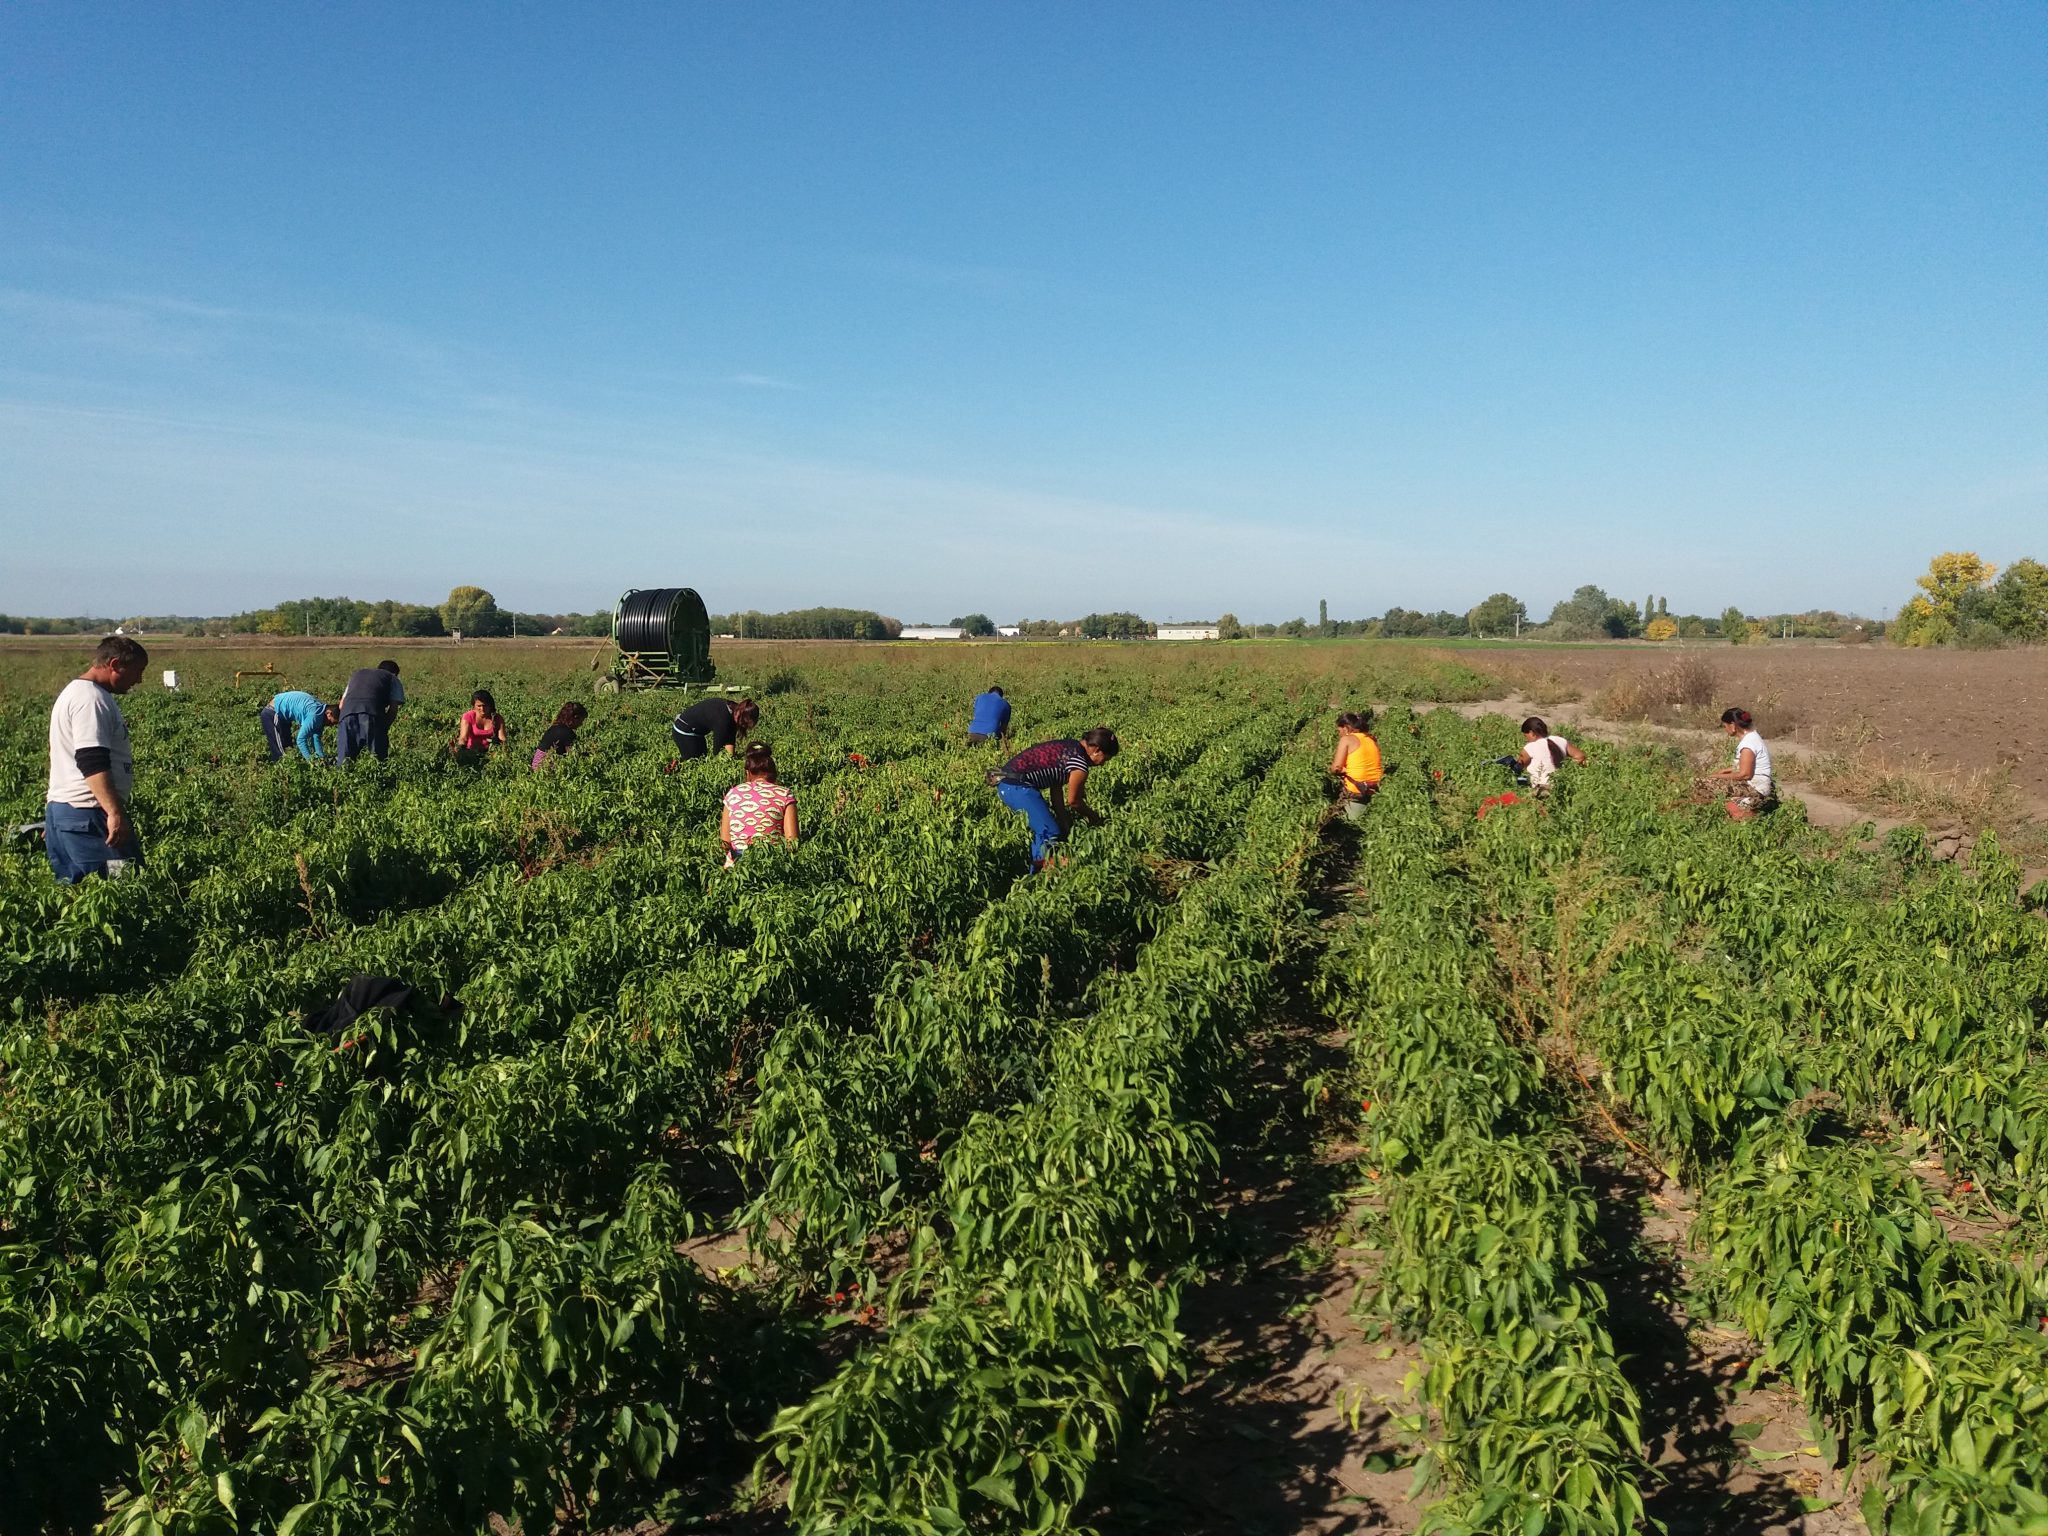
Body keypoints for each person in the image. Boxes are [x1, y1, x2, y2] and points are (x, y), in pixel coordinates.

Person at [45, 634, 147, 882]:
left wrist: (56, 815)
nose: (139, 680)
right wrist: (114, 812)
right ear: (114, 665)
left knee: (79, 891)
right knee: (120, 883)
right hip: (90, 815)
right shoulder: (91, 700)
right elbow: (91, 759)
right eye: (136, 671)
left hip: (70, 813)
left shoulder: (76, 693)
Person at [990, 728, 1119, 872]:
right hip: (1017, 788)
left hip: (1008, 784)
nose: (1102, 764)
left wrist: (1064, 819)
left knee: (1048, 830)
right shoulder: (1079, 763)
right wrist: (1095, 818)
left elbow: (1056, 788)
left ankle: (1035, 871)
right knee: (1049, 832)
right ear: (1096, 750)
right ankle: (1038, 876)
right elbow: (1074, 801)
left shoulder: (1070, 746)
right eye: (1105, 758)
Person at [720, 742, 798, 864]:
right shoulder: (784, 795)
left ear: (748, 773)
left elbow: (725, 842)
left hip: (737, 862)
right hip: (771, 861)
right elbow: (792, 842)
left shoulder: (733, 794)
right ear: (773, 772)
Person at [1703, 707, 1775, 819]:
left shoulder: (1748, 744)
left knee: (1704, 784)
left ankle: (1711, 816)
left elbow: (1745, 774)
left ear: (1732, 726)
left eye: (1725, 726)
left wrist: (1716, 776)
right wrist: (1725, 771)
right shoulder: (1752, 738)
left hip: (1755, 787)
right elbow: (1746, 766)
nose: (1725, 729)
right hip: (1757, 784)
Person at [336, 660, 405, 764]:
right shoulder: (392, 678)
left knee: (345, 760)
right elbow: (393, 709)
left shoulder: (358, 675)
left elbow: (341, 705)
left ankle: (342, 777)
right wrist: (384, 728)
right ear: (395, 673)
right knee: (378, 759)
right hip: (372, 714)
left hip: (346, 715)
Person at [1328, 710, 1383, 819]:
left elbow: (1336, 768)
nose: (1339, 734)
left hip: (1357, 789)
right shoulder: (1371, 738)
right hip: (1375, 786)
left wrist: (1343, 770)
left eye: (1339, 731)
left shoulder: (1347, 739)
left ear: (1346, 728)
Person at [671, 696, 758, 761]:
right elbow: (717, 751)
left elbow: (730, 740)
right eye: (744, 723)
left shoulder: (733, 710)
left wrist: (732, 758)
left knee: (702, 759)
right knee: (694, 762)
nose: (743, 725)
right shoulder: (722, 720)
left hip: (697, 733)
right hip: (683, 731)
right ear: (740, 714)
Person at [1513, 716, 1586, 794]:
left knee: (1518, 781)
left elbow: (1518, 767)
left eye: (1526, 736)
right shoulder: (1560, 740)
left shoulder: (1530, 747)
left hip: (1540, 789)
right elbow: (1580, 756)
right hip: (1561, 785)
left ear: (1531, 733)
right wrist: (1568, 770)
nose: (1526, 739)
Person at [263, 689, 339, 761]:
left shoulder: (321, 716)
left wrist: (321, 758)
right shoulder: (315, 714)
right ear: (329, 713)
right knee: (281, 754)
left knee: (288, 748)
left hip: (283, 716)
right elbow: (300, 740)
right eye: (332, 722)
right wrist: (310, 761)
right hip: (273, 712)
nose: (331, 725)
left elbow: (316, 738)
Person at [453, 689, 511, 755]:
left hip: (491, 753)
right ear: (474, 706)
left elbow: (503, 739)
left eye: (484, 705)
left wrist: (503, 751)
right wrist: (461, 749)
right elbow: (463, 737)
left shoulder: (497, 718)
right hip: (471, 752)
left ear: (489, 705)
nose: (482, 709)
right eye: (479, 706)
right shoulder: (468, 716)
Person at [531, 701, 587, 770]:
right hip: (545, 767)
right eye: (581, 720)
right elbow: (573, 756)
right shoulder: (567, 733)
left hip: (536, 764)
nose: (581, 724)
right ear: (575, 717)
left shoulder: (555, 727)